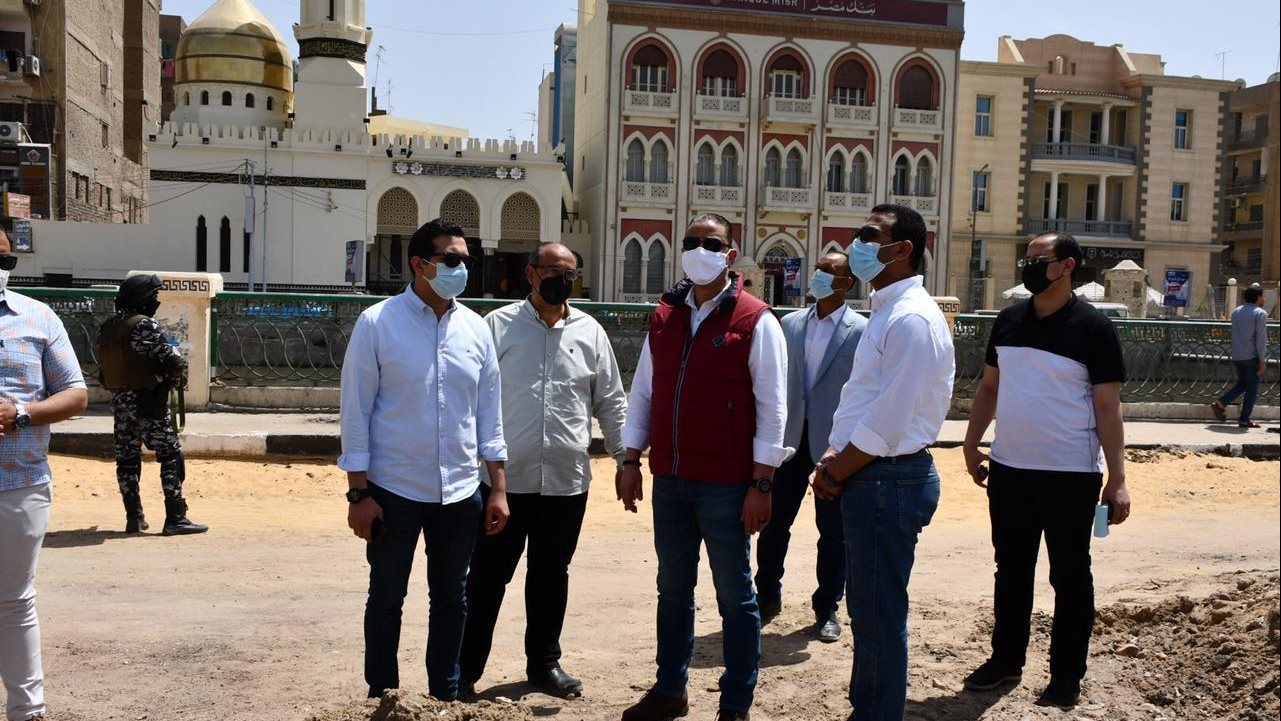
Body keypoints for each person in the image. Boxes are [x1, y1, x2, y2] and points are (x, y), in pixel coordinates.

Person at [617, 213, 791, 721]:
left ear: (730, 255)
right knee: (672, 590)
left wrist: (762, 483)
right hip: (670, 480)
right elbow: (645, 390)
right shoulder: (665, 315)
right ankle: (670, 688)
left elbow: (773, 407)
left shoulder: (756, 320)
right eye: (691, 241)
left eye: (711, 243)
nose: (699, 250)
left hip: (727, 485)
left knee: (735, 596)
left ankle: (736, 702)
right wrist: (631, 457)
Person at [338, 218, 511, 702]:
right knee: (387, 596)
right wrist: (359, 493)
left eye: (467, 260)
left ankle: (445, 694)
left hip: (459, 491)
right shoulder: (377, 324)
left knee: (453, 598)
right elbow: (355, 413)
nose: (462, 269)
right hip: (393, 489)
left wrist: (497, 488)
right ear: (419, 264)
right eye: (451, 259)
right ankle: (383, 695)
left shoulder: (476, 330)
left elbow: (489, 414)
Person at [961, 232, 1132, 709]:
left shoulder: (1093, 328)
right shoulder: (1009, 320)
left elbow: (1108, 407)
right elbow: (989, 389)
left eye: (1040, 259)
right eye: (1027, 258)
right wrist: (971, 444)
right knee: (1011, 571)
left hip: (1070, 475)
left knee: (1070, 577)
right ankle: (1005, 661)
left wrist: (1117, 479)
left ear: (1068, 265)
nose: (1029, 266)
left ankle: (1066, 676)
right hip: (1009, 470)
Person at [459, 242, 628, 699]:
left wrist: (624, 459)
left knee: (551, 575)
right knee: (488, 577)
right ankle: (464, 670)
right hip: (504, 483)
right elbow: (472, 400)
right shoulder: (497, 327)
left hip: (565, 482)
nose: (562, 280)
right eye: (553, 271)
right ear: (531, 274)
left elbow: (611, 402)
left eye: (570, 273)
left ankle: (544, 664)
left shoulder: (591, 332)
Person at [810, 204, 954, 721]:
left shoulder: (911, 318)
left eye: (870, 236)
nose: (857, 245)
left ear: (903, 249)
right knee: (868, 609)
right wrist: (834, 450)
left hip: (887, 477)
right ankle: (868, 707)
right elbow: (865, 398)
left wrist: (835, 470)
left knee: (878, 613)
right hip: (872, 472)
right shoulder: (889, 309)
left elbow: (890, 420)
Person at [0, 228, 90, 721]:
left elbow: (75, 394)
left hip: (18, 483)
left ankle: (27, 711)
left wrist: (20, 413)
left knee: (14, 603)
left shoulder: (37, 317)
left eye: (5, 260)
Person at [754, 251, 866, 643]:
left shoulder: (861, 331)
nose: (817, 276)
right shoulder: (790, 324)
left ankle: (827, 607)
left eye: (827, 272)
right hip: (788, 441)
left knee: (833, 532)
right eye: (817, 269)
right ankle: (766, 596)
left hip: (833, 445)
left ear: (846, 282)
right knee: (774, 524)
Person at [95, 274, 207, 536]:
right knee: (170, 454)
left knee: (127, 459)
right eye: (154, 296)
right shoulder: (143, 324)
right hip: (147, 400)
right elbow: (173, 361)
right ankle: (176, 517)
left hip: (120, 401)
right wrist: (174, 376)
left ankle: (134, 517)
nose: (156, 301)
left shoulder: (109, 326)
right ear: (142, 298)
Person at [1211, 286, 1269, 428]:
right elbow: (1261, 339)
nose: (1264, 299)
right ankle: (1244, 419)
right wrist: (1262, 360)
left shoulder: (1236, 312)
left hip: (1238, 355)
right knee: (1252, 389)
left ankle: (1221, 403)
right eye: (1263, 296)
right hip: (1252, 356)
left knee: (1243, 384)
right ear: (1258, 297)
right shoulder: (1260, 313)